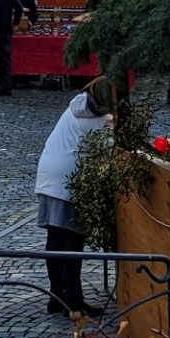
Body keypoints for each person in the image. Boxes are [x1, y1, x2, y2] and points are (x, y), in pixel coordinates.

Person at [32, 77, 116, 315]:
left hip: (49, 173)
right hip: (69, 180)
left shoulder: (75, 107)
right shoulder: (101, 120)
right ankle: (75, 302)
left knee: (55, 239)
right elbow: (112, 150)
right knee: (72, 243)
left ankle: (56, 295)